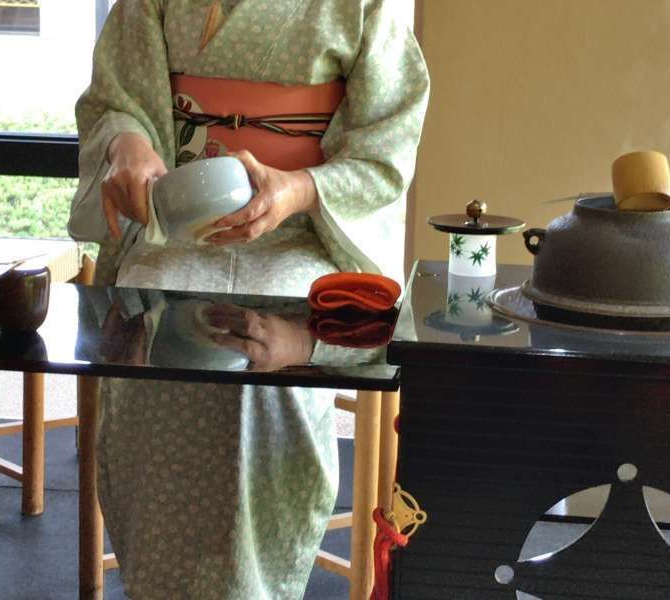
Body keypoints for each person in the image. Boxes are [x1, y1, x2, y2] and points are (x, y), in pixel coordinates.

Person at [68, 1, 429, 598]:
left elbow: (385, 145)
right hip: (177, 224)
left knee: (264, 350)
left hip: (303, 231)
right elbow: (116, 96)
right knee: (150, 325)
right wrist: (125, 143)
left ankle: (256, 585)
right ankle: (159, 584)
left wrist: (299, 188)